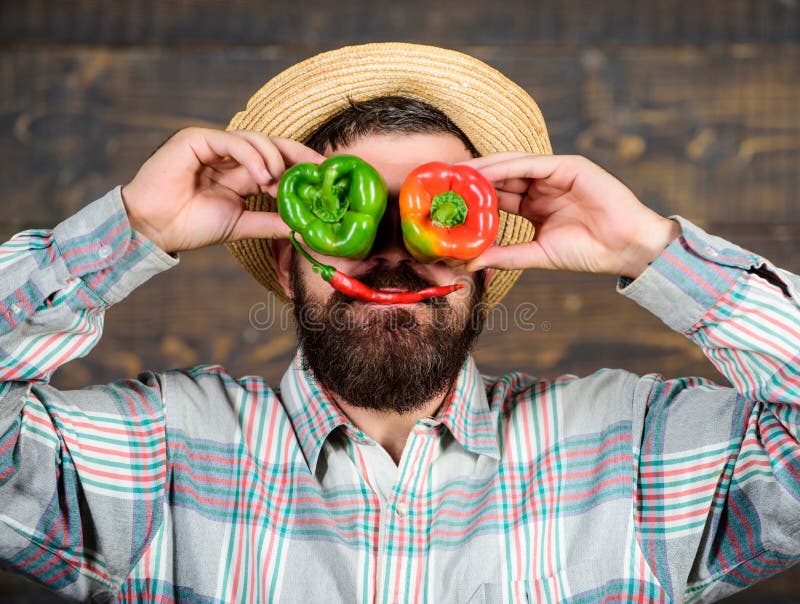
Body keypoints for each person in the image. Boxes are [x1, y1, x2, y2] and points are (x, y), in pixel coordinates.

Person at [0, 42, 797, 604]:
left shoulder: (634, 450)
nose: (391, 256)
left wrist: (650, 248)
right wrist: (128, 230)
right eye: (347, 216)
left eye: (435, 217)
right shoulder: (160, 454)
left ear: (486, 264)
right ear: (287, 262)